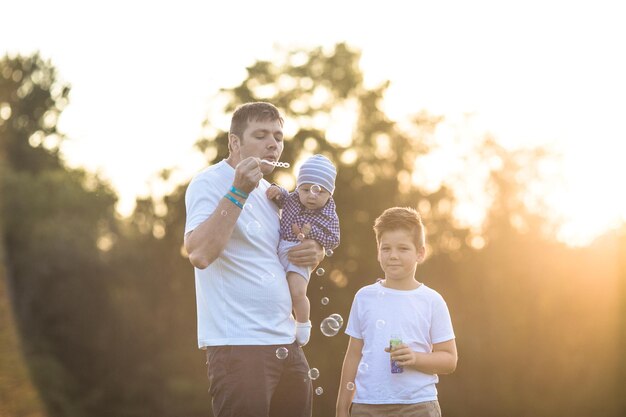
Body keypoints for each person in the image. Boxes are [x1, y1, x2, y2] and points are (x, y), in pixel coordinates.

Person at [184, 102, 324, 417]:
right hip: (239, 346)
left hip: (287, 343)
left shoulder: (274, 194)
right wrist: (238, 192)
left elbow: (286, 259)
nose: (272, 144)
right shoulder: (209, 183)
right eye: (261, 135)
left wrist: (315, 253)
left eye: (278, 136)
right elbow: (200, 253)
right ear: (234, 142)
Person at [336, 207, 458, 417]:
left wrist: (415, 358)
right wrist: (341, 407)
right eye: (386, 248)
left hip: (418, 405)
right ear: (378, 251)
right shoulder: (364, 297)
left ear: (420, 253)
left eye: (403, 248)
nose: (393, 256)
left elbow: (449, 359)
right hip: (367, 405)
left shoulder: (432, 301)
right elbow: (353, 355)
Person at [266, 154, 340, 346]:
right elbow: (283, 197)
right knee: (281, 291)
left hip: (301, 255)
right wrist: (276, 190)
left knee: (297, 291)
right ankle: (284, 324)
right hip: (281, 249)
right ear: (298, 187)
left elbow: (334, 239)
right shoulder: (293, 199)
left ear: (330, 194)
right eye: (306, 189)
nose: (311, 196)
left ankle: (303, 323)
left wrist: (312, 232)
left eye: (320, 192)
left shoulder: (328, 214)